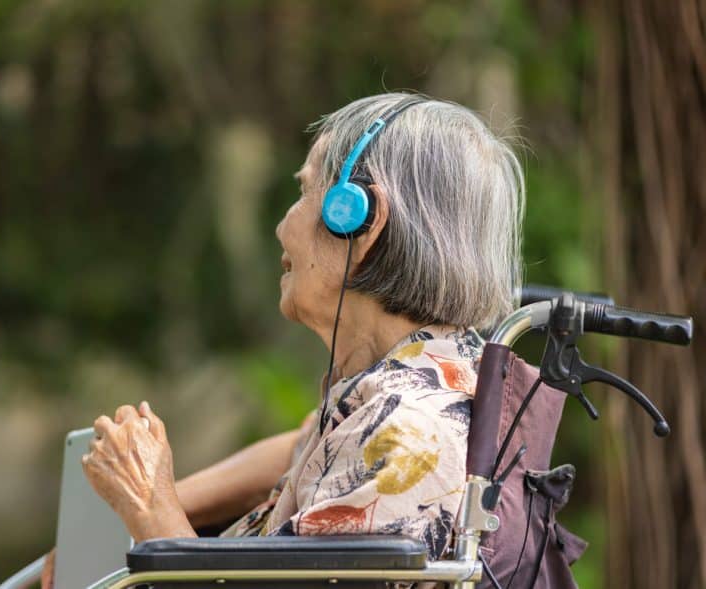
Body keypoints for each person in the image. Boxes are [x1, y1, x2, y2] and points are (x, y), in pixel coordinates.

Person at [41, 92, 523, 588]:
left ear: (359, 219)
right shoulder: (422, 376)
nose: (282, 226)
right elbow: (299, 446)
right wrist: (157, 501)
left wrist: (149, 505)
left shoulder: (410, 438)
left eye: (305, 192)